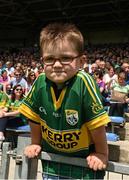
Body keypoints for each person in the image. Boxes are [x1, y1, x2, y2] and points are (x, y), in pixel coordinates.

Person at [19, 22, 110, 179]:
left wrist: (101, 153)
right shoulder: (40, 81)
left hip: (84, 167)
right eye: (49, 59)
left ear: (81, 61)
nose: (57, 65)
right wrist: (35, 142)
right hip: (52, 165)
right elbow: (34, 118)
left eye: (66, 58)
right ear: (42, 61)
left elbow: (97, 125)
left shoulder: (84, 82)